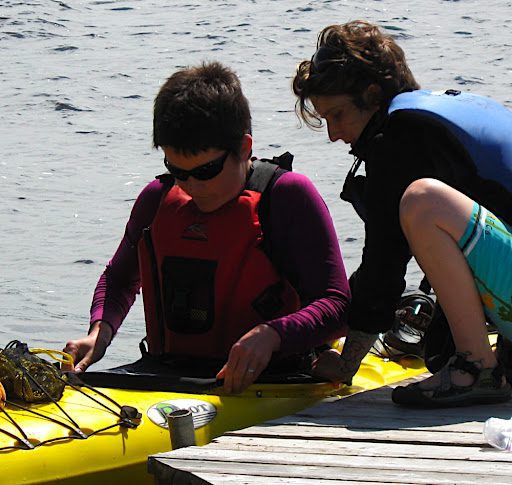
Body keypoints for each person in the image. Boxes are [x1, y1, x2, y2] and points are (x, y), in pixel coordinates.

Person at [63, 61, 350, 394]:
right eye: (178, 171)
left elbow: (337, 305)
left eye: (205, 171)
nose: (191, 187)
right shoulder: (156, 199)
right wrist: (100, 331)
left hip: (271, 379)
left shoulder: (287, 197)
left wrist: (272, 335)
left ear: (244, 148)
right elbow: (119, 278)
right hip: (165, 373)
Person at [292, 20, 512, 407]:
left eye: (337, 115)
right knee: (439, 353)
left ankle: (478, 368)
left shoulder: (398, 141)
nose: (333, 134)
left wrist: (347, 365)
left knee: (422, 204)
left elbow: (383, 266)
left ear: (372, 94)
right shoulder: (442, 111)